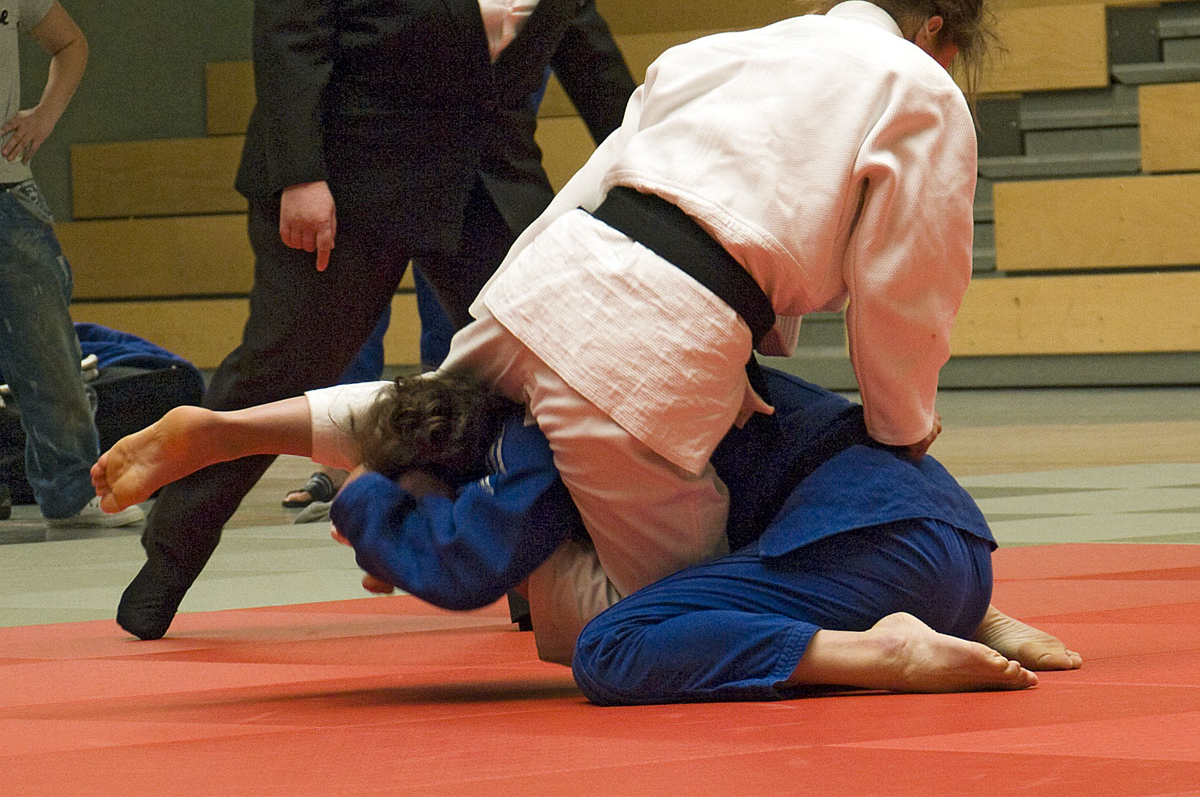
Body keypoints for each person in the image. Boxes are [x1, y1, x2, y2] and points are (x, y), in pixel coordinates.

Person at [117, 0, 633, 640]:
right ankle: (167, 562)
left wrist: (644, 139)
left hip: (487, 168)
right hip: (350, 176)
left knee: (535, 366)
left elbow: (572, 19)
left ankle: (530, 569)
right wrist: (302, 173)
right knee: (278, 374)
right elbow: (292, 36)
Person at [432, 0, 996, 632]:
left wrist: (484, 334)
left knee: (436, 421)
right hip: (667, 329)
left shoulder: (714, 51)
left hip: (546, 284)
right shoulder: (919, 86)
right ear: (936, 30)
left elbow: (585, 192)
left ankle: (369, 475)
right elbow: (904, 282)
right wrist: (900, 427)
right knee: (680, 610)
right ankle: (551, 572)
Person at [91, 364, 1081, 699]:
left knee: (606, 643)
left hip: (873, 563)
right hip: (949, 537)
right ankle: (966, 615)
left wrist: (368, 512)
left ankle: (882, 653)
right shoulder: (548, 373)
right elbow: (405, 413)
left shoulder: (544, 437)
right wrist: (228, 434)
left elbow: (468, 561)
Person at [0, 0, 144, 528]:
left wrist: (44, 116)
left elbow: (70, 44)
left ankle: (69, 491)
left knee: (48, 354)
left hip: (9, 195)